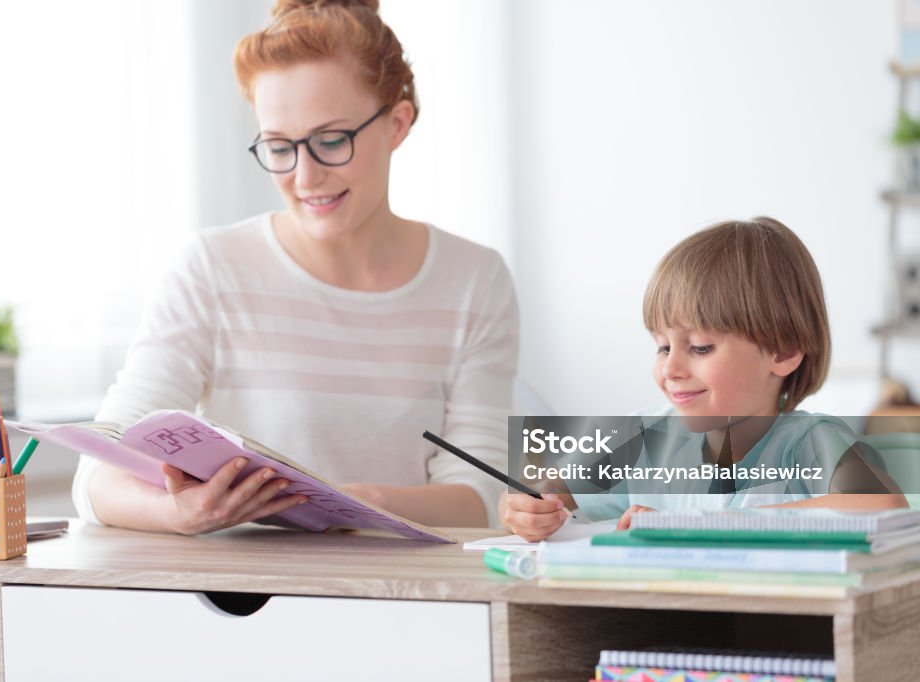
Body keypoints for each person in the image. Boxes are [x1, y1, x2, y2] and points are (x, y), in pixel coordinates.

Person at [71, 0, 518, 534]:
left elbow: (483, 492)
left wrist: (353, 503)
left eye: (332, 141)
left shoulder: (474, 280)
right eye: (280, 147)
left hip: (411, 597)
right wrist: (180, 513)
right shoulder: (213, 269)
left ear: (397, 124)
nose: (305, 177)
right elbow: (98, 470)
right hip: (245, 598)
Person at [500, 217, 907, 541]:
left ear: (783, 351)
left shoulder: (810, 443)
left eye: (699, 348)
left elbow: (880, 508)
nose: (670, 369)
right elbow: (549, 490)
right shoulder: (646, 439)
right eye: (662, 347)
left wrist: (704, 525)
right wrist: (522, 506)